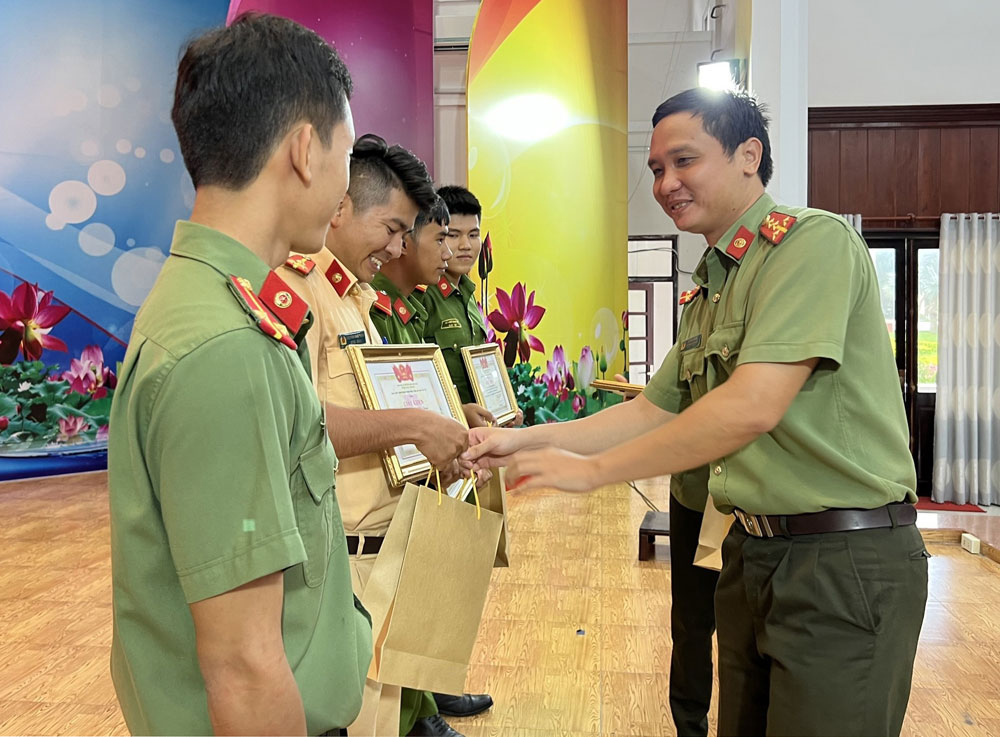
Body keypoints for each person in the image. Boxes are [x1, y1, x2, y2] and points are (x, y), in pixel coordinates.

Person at [465, 88, 928, 737]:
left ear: (748, 154)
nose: (666, 183)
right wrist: (520, 443)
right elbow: (652, 411)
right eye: (655, 169)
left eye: (684, 161)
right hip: (753, 552)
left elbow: (752, 404)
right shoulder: (713, 285)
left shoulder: (809, 245)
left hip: (843, 560)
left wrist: (593, 472)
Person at [108, 14, 371, 736]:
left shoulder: (214, 303)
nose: (347, 186)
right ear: (305, 149)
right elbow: (244, 664)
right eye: (347, 154)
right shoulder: (227, 345)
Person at [278, 136, 488, 737]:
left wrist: (442, 428)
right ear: (341, 206)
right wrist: (417, 426)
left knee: (384, 717)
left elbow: (375, 407)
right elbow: (300, 422)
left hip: (381, 548)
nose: (399, 247)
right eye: (393, 228)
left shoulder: (360, 301)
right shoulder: (300, 294)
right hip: (339, 558)